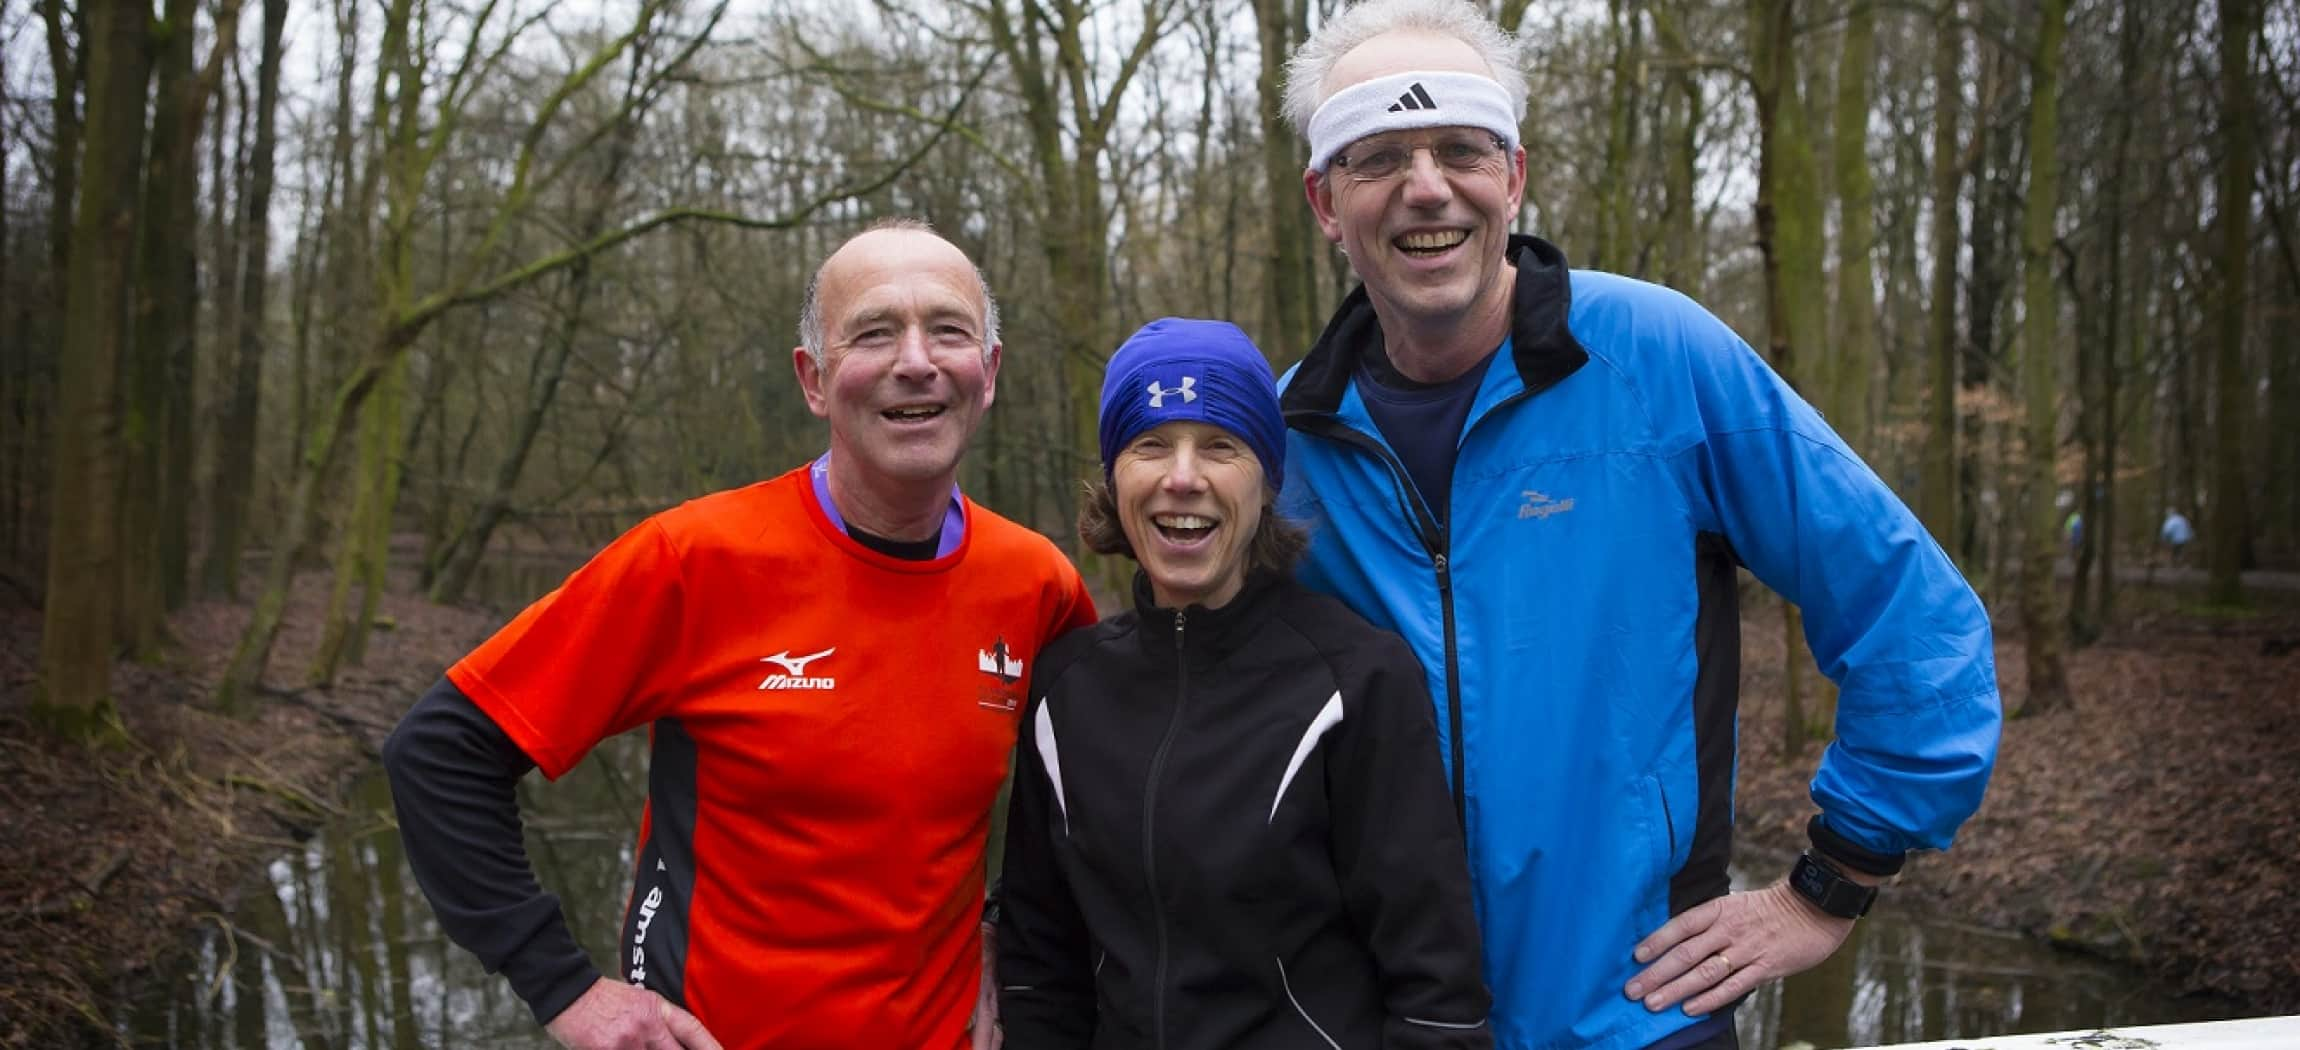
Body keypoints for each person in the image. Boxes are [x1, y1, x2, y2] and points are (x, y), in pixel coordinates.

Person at [1272, 3, 2003, 1048]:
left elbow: (1911, 615)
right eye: (1375, 155)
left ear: (1512, 175)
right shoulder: (1289, 440)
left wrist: (1827, 885)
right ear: (1325, 202)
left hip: (1639, 1016)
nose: (1424, 185)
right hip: (1387, 1022)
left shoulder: (1657, 359)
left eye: (1459, 149)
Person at [381, 219, 1097, 1050]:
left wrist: (1004, 936)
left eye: (948, 329)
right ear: (814, 380)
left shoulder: (1037, 583)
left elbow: (1078, 807)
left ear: (990, 372)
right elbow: (439, 753)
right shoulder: (693, 561)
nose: (915, 360)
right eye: (873, 331)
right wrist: (566, 990)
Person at [996, 318, 1492, 1048]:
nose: (1183, 476)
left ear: (1266, 480)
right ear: (1114, 477)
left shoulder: (1356, 680)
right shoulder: (1065, 691)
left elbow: (1435, 993)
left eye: (1221, 446)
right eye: (1151, 445)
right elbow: (1041, 969)